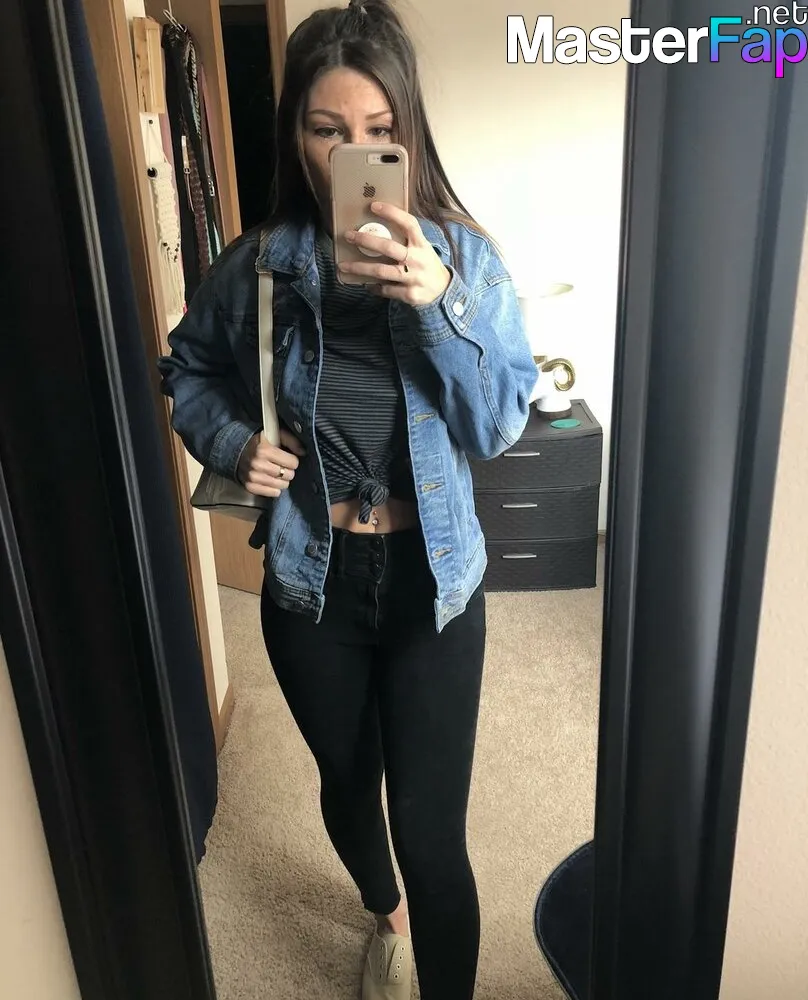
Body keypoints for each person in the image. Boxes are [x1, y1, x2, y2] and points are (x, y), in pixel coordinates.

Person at [157, 2, 537, 997]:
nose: (353, 154)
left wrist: (436, 304)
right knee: (346, 781)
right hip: (309, 581)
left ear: (409, 133)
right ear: (296, 134)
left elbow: (498, 424)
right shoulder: (257, 266)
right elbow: (186, 367)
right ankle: (385, 914)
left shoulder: (466, 262)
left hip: (432, 582)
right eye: (328, 130)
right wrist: (234, 442)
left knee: (432, 831)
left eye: (379, 130)